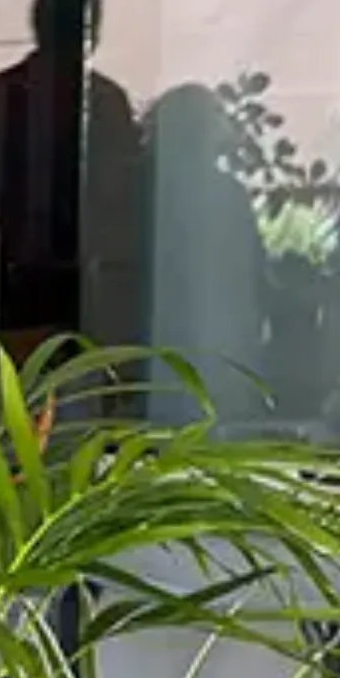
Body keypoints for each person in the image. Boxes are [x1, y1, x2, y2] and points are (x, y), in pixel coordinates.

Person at [0, 0, 143, 343]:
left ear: (38, 25)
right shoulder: (106, 104)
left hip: (0, 289)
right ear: (93, 33)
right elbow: (124, 202)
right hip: (78, 294)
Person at [140, 83, 267, 424]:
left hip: (166, 347)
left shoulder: (139, 189)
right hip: (212, 348)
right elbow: (254, 274)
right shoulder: (225, 193)